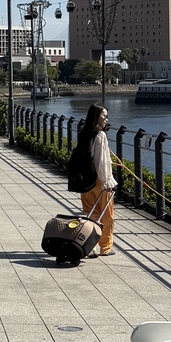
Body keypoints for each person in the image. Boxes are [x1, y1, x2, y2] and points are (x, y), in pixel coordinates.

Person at [70, 103, 115, 256]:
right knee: (107, 216)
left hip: (85, 181)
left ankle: (89, 246)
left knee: (90, 214)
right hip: (100, 181)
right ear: (96, 117)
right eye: (104, 116)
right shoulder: (100, 136)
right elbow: (101, 161)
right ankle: (105, 247)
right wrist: (108, 181)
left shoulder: (84, 133)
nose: (106, 119)